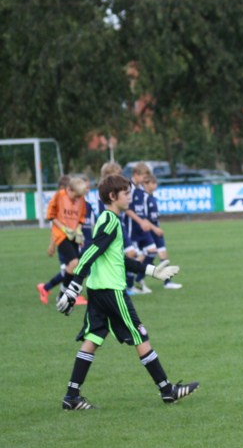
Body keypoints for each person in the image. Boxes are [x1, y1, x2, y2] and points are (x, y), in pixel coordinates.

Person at [54, 174, 196, 410]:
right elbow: (90, 253)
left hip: (98, 292)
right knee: (140, 335)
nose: (131, 196)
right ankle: (167, 390)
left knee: (92, 339)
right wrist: (73, 287)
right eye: (127, 193)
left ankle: (71, 396)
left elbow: (118, 260)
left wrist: (152, 271)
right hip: (112, 292)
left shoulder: (107, 219)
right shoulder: (111, 221)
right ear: (113, 196)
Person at [37, 175, 88, 305]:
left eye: (79, 197)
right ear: (69, 189)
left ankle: (53, 291)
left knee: (74, 267)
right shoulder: (59, 196)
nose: (77, 199)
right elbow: (51, 215)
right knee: (74, 263)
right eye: (75, 196)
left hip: (73, 236)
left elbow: (81, 218)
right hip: (61, 235)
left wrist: (78, 231)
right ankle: (62, 296)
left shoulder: (81, 199)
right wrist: (64, 229)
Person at [140, 173, 182, 289]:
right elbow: (143, 218)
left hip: (156, 230)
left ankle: (168, 282)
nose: (155, 185)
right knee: (147, 256)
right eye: (152, 183)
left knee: (163, 255)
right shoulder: (144, 198)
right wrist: (154, 228)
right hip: (149, 231)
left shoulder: (152, 197)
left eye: (155, 183)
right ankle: (137, 278)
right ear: (145, 184)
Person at [127, 164, 159, 294]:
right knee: (134, 257)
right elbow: (127, 209)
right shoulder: (128, 188)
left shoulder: (141, 189)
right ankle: (129, 285)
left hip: (142, 228)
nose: (145, 180)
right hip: (132, 229)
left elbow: (141, 209)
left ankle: (138, 278)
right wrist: (140, 221)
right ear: (136, 174)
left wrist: (146, 222)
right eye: (144, 177)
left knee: (152, 251)